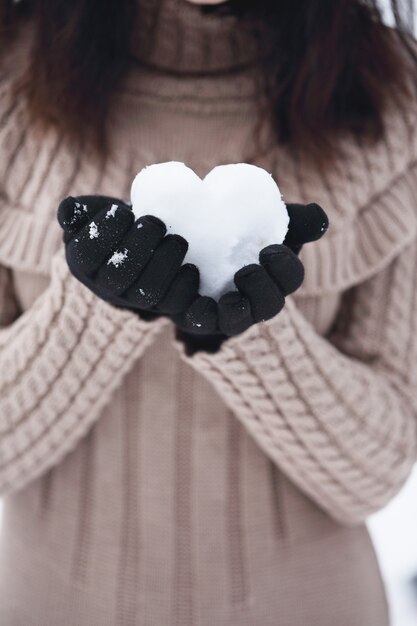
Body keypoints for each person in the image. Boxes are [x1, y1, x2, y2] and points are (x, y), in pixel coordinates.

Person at [0, 0, 416, 624]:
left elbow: (376, 473)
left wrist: (256, 338)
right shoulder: (12, 79)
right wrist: (95, 311)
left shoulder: (389, 96)